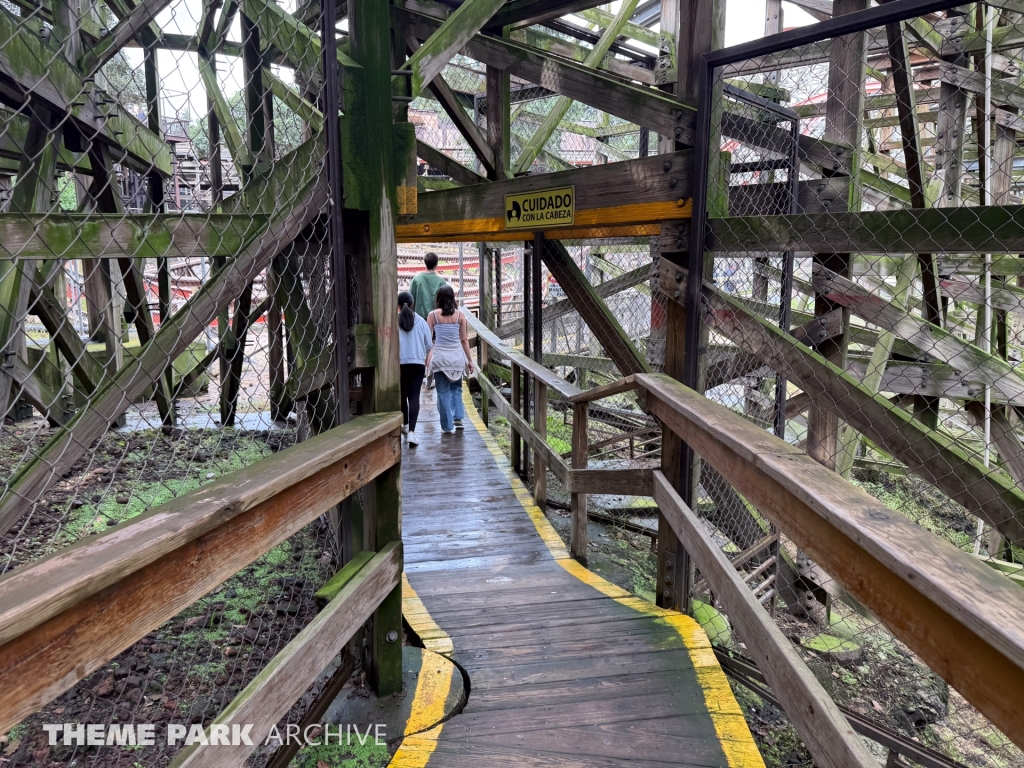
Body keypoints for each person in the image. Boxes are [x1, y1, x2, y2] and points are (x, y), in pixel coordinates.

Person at [427, 285, 474, 434]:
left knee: (442, 391)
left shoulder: (433, 315)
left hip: (440, 357)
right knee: (456, 388)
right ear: (453, 298)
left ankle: (447, 426)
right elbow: (464, 339)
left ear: (438, 298)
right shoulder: (460, 315)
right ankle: (458, 417)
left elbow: (428, 340)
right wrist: (470, 360)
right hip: (456, 358)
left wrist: (426, 360)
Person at [397, 291, 431, 446]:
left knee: (403, 395)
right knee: (414, 397)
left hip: (400, 364)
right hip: (417, 364)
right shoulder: (421, 322)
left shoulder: (394, 321)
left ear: (397, 306)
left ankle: (404, 425)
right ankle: (412, 432)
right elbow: (429, 345)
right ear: (412, 305)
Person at [409, 252, 447, 321]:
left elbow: (411, 301)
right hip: (436, 319)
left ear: (425, 263)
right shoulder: (441, 282)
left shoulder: (416, 280)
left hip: (419, 319)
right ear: (436, 265)